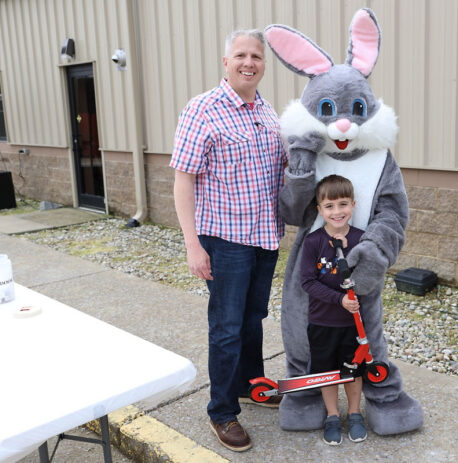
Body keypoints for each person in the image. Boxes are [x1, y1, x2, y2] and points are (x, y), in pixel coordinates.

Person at [170, 29, 286, 453]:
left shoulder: (269, 113)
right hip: (225, 239)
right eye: (240, 55)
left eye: (256, 56)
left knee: (253, 317)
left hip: (265, 237)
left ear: (263, 64)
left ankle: (249, 385)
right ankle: (221, 411)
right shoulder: (202, 109)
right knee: (226, 326)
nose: (248, 62)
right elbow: (183, 180)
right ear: (226, 62)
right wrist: (191, 245)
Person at [299, 175, 368, 445]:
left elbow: (370, 277)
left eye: (342, 204)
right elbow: (307, 282)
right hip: (322, 321)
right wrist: (338, 300)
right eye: (329, 206)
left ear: (353, 204)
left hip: (353, 325)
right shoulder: (313, 242)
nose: (337, 212)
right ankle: (331, 415)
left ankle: (354, 414)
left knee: (353, 371)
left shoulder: (362, 239)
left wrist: (351, 256)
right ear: (320, 210)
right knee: (327, 372)